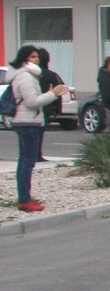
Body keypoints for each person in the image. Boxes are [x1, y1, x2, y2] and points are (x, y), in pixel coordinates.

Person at [6, 45, 68, 213]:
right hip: (27, 121)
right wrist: (53, 94)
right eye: (33, 57)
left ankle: (24, 197)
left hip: (26, 120)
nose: (37, 60)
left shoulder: (25, 75)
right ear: (24, 59)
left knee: (25, 161)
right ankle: (24, 199)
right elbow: (32, 102)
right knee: (27, 161)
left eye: (37, 57)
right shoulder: (25, 76)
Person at [36, 48, 68, 128]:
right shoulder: (51, 75)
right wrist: (58, 108)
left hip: (31, 107)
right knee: (40, 130)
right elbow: (58, 92)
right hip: (46, 107)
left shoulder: (28, 74)